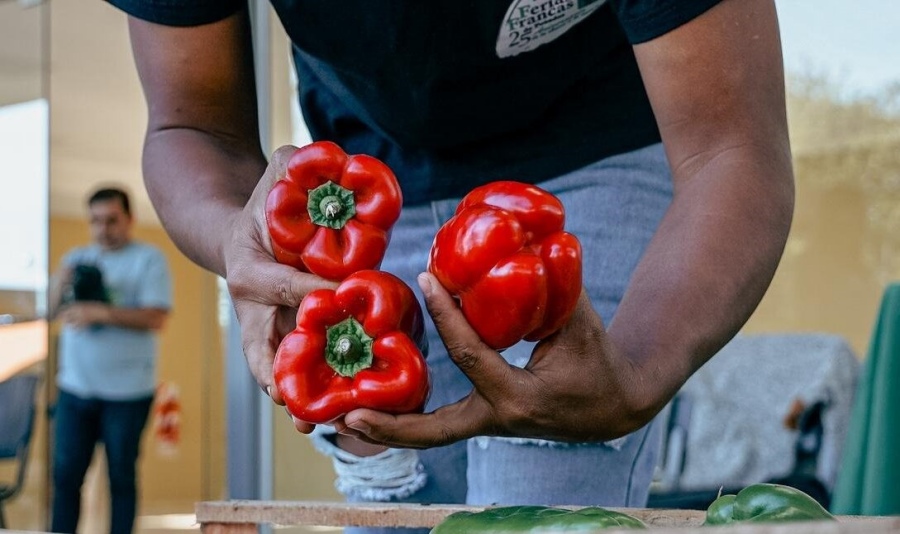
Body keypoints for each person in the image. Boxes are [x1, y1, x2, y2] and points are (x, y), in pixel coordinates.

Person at [108, 0, 794, 532]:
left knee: (545, 500)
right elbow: (189, 124)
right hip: (360, 192)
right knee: (391, 505)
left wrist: (638, 374)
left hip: (596, 151)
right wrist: (236, 237)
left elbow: (731, 150)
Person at [48, 187, 172, 534]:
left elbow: (156, 318)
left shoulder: (148, 259)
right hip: (74, 389)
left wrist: (100, 312)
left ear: (129, 219)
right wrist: (61, 283)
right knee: (65, 476)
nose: (103, 228)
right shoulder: (75, 259)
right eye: (96, 221)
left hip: (129, 393)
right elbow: (52, 311)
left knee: (121, 477)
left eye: (111, 220)